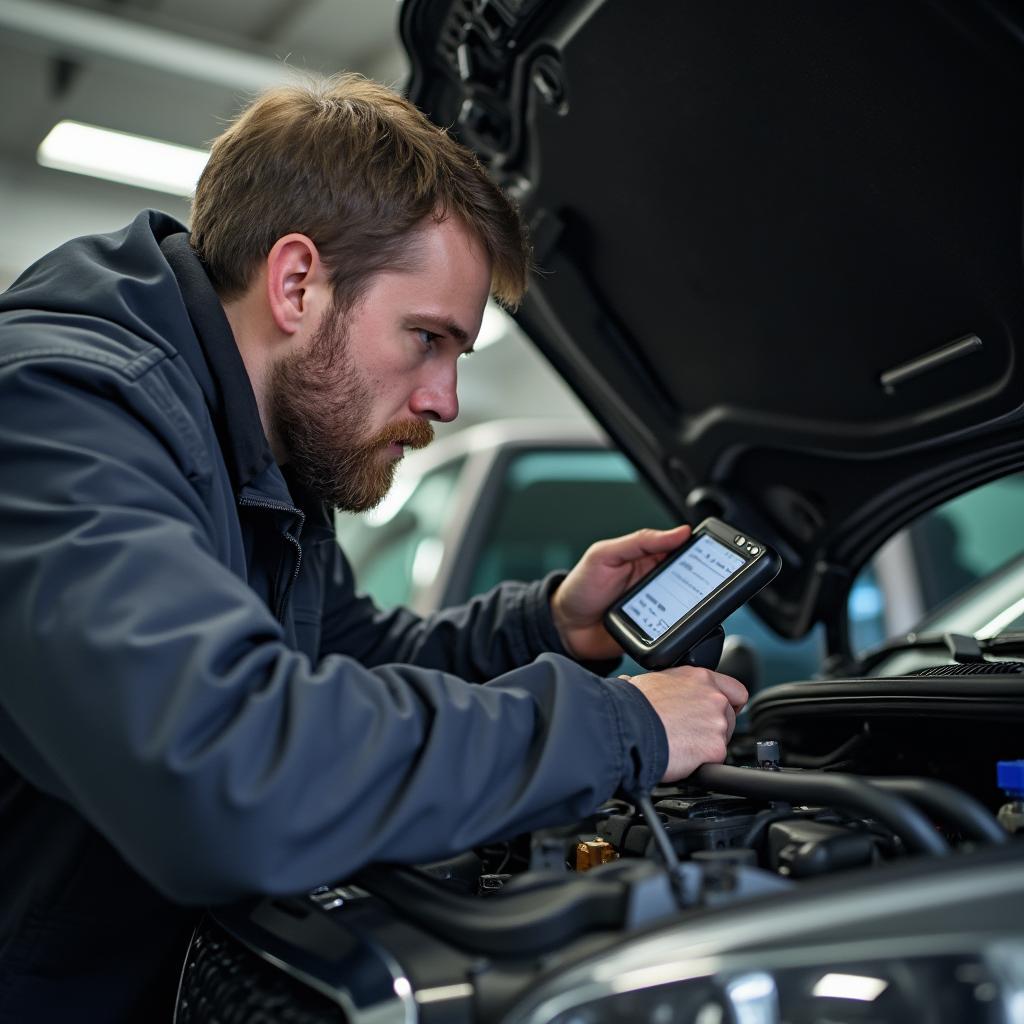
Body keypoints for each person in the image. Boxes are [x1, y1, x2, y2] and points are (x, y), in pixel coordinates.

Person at [0, 75, 747, 1018]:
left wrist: (554, 628)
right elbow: (227, 767)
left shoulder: (258, 452)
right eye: (426, 338)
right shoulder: (54, 413)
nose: (445, 400)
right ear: (298, 282)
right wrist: (621, 727)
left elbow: (349, 657)